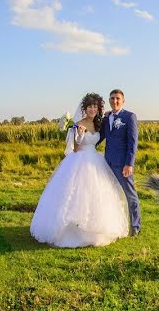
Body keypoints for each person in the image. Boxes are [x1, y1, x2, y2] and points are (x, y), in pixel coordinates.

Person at [30, 93, 129, 247]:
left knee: (97, 195)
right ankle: (74, 229)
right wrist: (79, 134)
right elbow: (75, 148)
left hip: (95, 161)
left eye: (95, 106)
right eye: (90, 106)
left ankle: (95, 228)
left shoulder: (98, 124)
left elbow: (103, 131)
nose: (92, 109)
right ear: (85, 108)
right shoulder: (78, 124)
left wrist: (108, 114)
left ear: (98, 108)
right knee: (76, 195)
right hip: (80, 160)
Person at [99, 89, 141, 236]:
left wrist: (129, 163)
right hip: (107, 163)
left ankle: (135, 225)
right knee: (111, 194)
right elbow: (101, 137)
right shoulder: (107, 118)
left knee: (130, 194)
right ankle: (116, 224)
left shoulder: (129, 117)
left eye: (117, 98)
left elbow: (133, 142)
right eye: (112, 98)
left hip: (122, 164)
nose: (114, 101)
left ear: (123, 100)